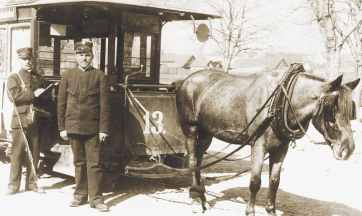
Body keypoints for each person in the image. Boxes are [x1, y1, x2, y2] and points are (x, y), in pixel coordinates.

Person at [57, 41, 110, 212]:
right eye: (80, 55)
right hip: (73, 127)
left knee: (94, 164)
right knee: (78, 162)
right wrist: (62, 128)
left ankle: (96, 198)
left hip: (93, 129)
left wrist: (103, 129)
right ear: (75, 57)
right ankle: (79, 195)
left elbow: (104, 105)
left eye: (87, 55)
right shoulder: (67, 75)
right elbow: (61, 104)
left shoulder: (100, 76)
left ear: (92, 57)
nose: (84, 58)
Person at [6, 47, 46, 194]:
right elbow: (14, 97)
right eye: (24, 59)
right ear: (20, 60)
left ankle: (32, 184)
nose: (28, 62)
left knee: (34, 153)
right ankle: (13, 186)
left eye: (30, 59)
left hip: (35, 120)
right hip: (20, 121)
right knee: (17, 154)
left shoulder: (38, 77)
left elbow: (45, 94)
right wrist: (33, 94)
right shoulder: (14, 77)